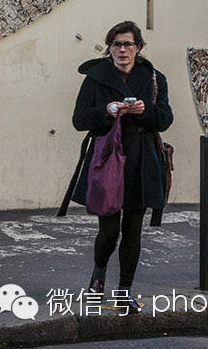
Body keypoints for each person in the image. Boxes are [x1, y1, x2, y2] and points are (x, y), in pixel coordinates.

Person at [70, 20, 173, 309]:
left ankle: (124, 290)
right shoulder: (95, 77)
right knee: (109, 231)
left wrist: (143, 111)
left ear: (138, 47)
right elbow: (79, 120)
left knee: (133, 230)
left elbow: (164, 119)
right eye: (116, 44)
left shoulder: (154, 77)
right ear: (110, 48)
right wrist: (106, 111)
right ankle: (98, 276)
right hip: (107, 160)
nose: (122, 49)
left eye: (128, 44)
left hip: (141, 160)